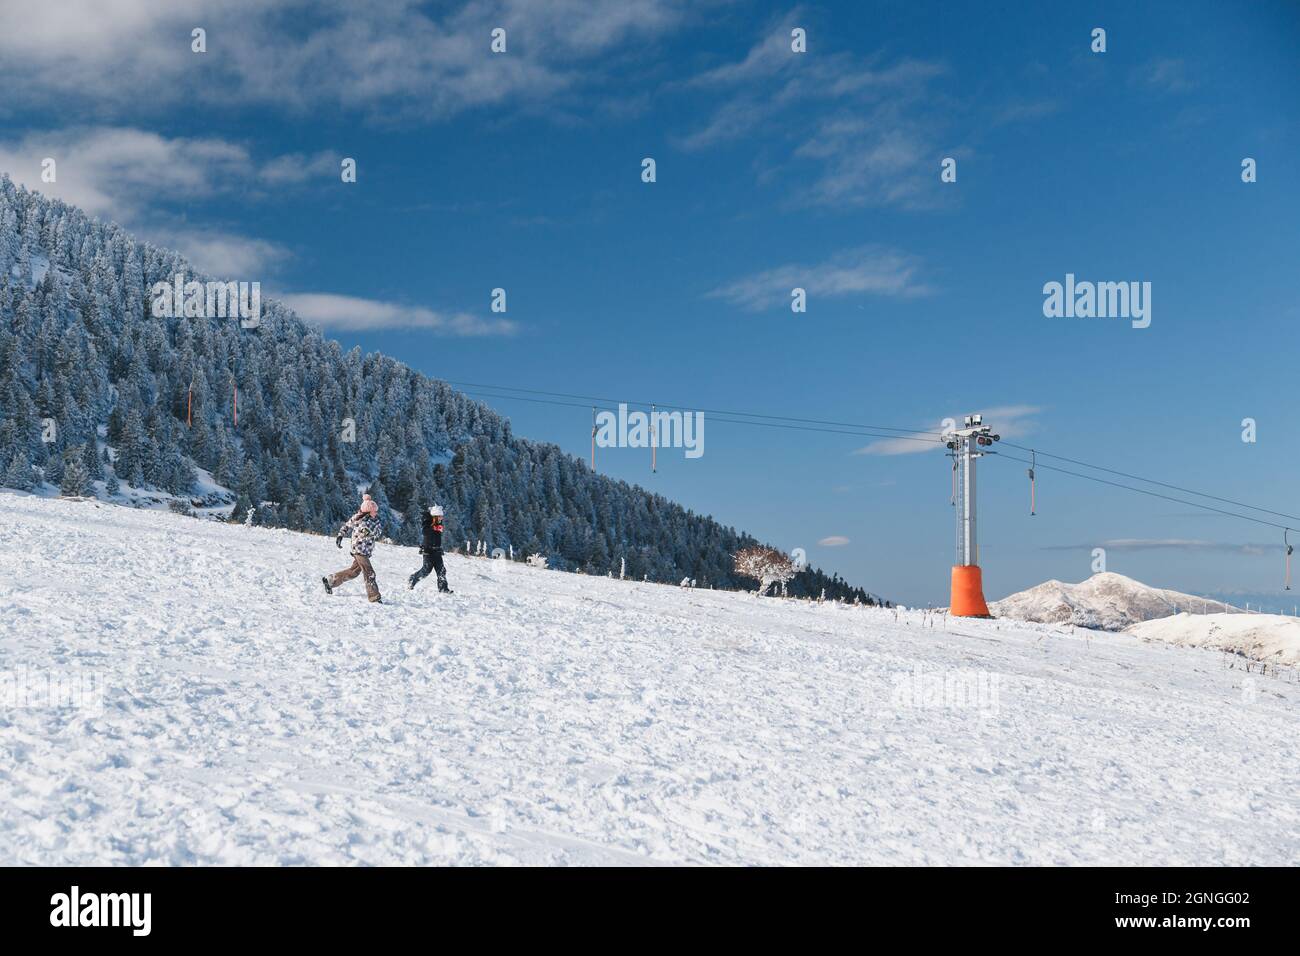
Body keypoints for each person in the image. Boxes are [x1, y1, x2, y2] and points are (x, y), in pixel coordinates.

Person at [322, 493, 384, 603]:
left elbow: (377, 533)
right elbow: (347, 526)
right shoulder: (358, 519)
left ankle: (331, 581)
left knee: (353, 572)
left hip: (366, 551)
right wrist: (340, 535)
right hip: (359, 550)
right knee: (369, 572)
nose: (376, 512)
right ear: (368, 511)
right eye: (374, 511)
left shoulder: (375, 521)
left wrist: (373, 529)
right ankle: (374, 596)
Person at [408, 504, 452, 593]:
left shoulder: (439, 524)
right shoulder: (427, 523)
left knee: (441, 570)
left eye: (441, 516)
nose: (441, 518)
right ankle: (413, 579)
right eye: (439, 516)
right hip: (428, 551)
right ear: (435, 516)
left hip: (437, 550)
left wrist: (437, 526)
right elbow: (425, 532)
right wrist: (433, 527)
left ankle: (443, 589)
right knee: (426, 570)